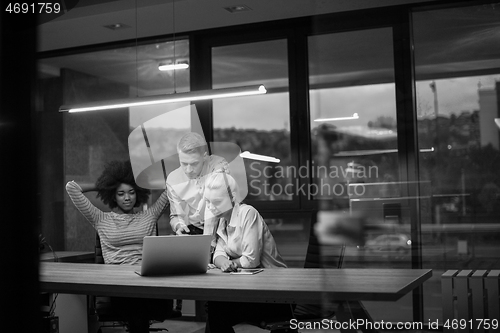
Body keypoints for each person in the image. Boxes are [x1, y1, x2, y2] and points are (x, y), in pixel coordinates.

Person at [65, 160, 174, 333]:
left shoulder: (149, 216)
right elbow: (72, 188)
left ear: (138, 193)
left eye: (131, 192)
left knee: (141, 305)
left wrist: (147, 180)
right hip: (119, 283)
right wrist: (105, 185)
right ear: (113, 196)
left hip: (146, 280)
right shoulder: (100, 219)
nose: (127, 197)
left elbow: (172, 187)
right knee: (137, 308)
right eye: (121, 193)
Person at [203, 171, 293, 333]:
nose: (210, 207)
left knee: (216, 308)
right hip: (251, 289)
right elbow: (218, 254)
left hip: (275, 293)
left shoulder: (247, 213)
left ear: (232, 197)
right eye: (207, 201)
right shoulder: (223, 220)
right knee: (215, 305)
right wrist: (224, 262)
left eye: (216, 201)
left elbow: (251, 260)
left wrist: (231, 263)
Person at [166, 132, 230, 235]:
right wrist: (179, 226)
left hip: (223, 227)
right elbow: (176, 215)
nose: (188, 170)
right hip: (194, 230)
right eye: (184, 163)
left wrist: (209, 241)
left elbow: (216, 203)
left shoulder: (218, 166)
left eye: (194, 163)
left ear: (204, 156)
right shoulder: (173, 180)